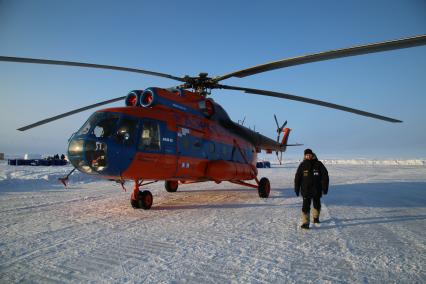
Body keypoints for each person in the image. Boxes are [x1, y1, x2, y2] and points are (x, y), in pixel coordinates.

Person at [294, 149, 329, 229]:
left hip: (317, 189)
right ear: (304, 156)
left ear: (312, 155)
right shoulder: (302, 165)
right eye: (306, 155)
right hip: (306, 190)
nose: (308, 156)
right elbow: (297, 178)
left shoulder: (318, 164)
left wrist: (325, 187)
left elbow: (325, 176)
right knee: (305, 206)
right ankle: (305, 223)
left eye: (309, 155)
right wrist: (297, 188)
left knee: (317, 204)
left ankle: (316, 217)